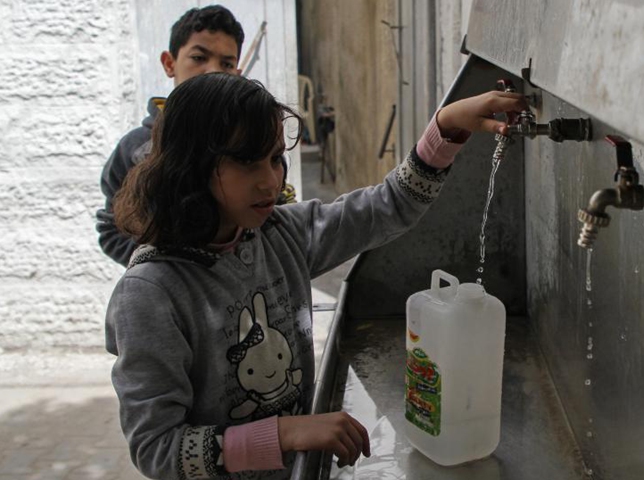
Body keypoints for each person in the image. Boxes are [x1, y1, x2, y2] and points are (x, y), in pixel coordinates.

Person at [105, 72, 526, 479]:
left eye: (274, 159)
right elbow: (156, 448)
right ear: (192, 166)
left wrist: (446, 127)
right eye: (247, 162)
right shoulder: (151, 293)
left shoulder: (279, 234)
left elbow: (388, 206)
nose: (270, 181)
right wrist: (286, 433)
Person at [96, 5, 296, 267]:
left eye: (226, 63)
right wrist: (166, 269)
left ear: (237, 73)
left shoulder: (256, 142)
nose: (213, 71)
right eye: (199, 58)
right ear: (169, 63)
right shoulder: (136, 149)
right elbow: (111, 230)